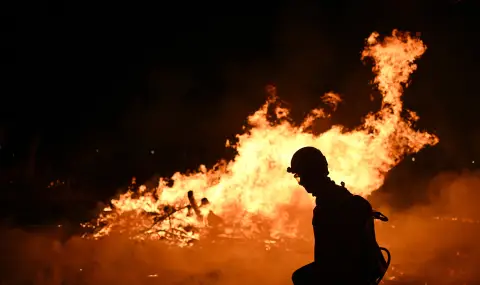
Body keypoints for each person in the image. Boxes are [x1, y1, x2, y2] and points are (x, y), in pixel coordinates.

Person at [288, 146, 387, 285]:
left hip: (348, 276)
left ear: (310, 175)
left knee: (300, 277)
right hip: (369, 271)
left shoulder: (325, 210)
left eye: (300, 177)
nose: (302, 183)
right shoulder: (350, 199)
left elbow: (324, 262)